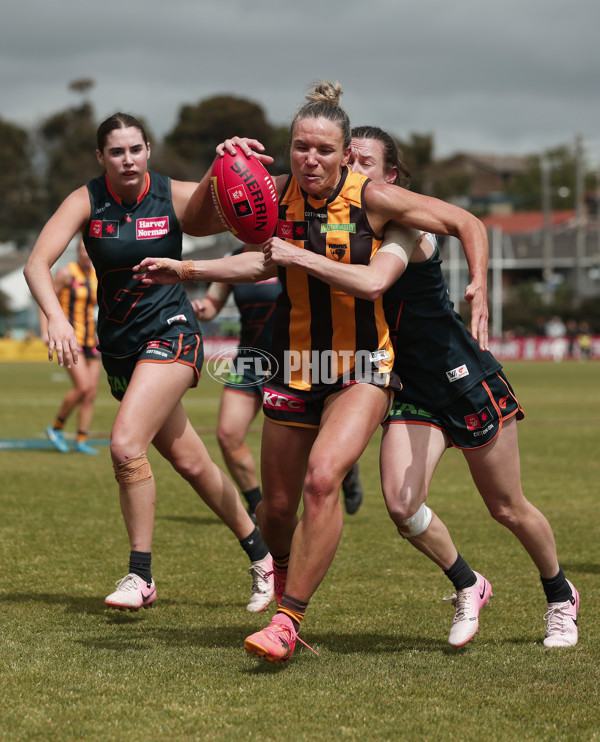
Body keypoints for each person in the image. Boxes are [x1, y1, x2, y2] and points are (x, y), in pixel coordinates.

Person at [134, 80, 490, 663]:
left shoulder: (373, 199)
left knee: (323, 480)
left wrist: (477, 284)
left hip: (364, 367)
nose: (311, 159)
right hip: (297, 365)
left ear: (346, 153)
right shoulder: (274, 196)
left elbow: (467, 222)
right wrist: (197, 236)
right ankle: (281, 589)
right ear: (290, 147)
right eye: (301, 147)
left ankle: (287, 619)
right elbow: (212, 227)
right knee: (276, 509)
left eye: (324, 149)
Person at [264, 124, 579, 649]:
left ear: (391, 179)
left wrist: (479, 283)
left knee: (507, 507)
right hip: (405, 384)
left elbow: (451, 230)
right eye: (351, 160)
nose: (353, 172)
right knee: (402, 505)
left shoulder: (403, 230)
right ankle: (468, 584)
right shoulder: (338, 224)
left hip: (460, 378)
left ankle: (559, 594)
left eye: (365, 164)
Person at [24, 112, 274, 614]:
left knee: (124, 444)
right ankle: (263, 555)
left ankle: (140, 575)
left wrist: (228, 161)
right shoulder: (86, 200)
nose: (127, 159)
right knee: (191, 462)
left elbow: (216, 208)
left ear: (148, 150)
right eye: (116, 152)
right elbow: (36, 263)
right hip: (120, 347)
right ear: (101, 158)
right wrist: (54, 317)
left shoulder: (171, 194)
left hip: (172, 335)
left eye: (135, 149)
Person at [191, 248, 365, 521]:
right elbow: (212, 304)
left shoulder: (290, 249)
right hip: (250, 360)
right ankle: (257, 504)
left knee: (316, 440)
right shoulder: (231, 259)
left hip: (295, 359)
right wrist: (201, 309)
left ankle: (348, 472)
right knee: (228, 435)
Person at [40, 235, 102, 455]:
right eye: (82, 250)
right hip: (70, 340)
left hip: (91, 340)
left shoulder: (96, 275)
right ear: (77, 251)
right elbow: (46, 299)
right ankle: (56, 428)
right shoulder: (67, 273)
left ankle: (81, 439)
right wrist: (45, 329)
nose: (86, 254)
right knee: (82, 387)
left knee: (91, 392)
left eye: (89, 250)